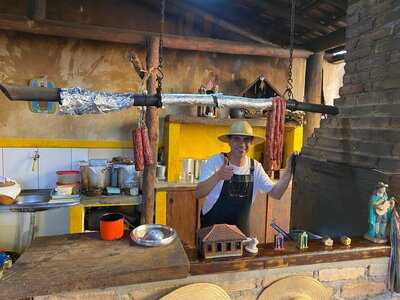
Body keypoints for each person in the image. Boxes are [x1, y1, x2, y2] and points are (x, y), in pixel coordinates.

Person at [195, 120, 295, 235]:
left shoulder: (255, 167)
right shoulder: (216, 161)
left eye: (246, 139)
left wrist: (288, 171)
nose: (242, 144)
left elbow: (276, 193)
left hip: (241, 234)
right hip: (211, 233)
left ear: (251, 142)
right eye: (237, 138)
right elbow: (198, 193)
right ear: (229, 141)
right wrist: (218, 175)